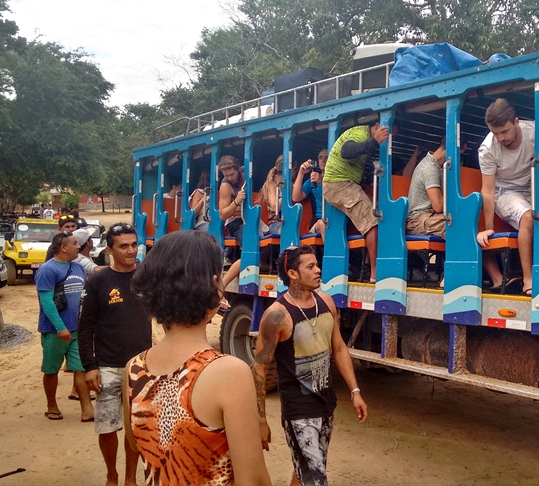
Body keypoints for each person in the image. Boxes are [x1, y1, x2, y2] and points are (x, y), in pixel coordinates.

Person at [125, 230, 271, 486]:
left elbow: (135, 443)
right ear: (215, 286)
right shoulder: (229, 372)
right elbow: (253, 480)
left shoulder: (135, 368)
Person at [253, 244, 368, 486]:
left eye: (317, 265)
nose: (318, 270)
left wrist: (355, 391)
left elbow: (338, 348)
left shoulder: (326, 302)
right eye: (311, 266)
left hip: (326, 406)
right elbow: (259, 368)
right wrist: (260, 419)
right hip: (298, 412)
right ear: (293, 274)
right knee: (316, 480)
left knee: (303, 472)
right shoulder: (276, 316)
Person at [477, 98, 539, 296]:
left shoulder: (536, 131)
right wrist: (489, 228)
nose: (500, 138)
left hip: (535, 188)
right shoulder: (487, 149)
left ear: (516, 122)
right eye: (495, 133)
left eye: (504, 131)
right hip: (505, 192)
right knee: (528, 217)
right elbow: (487, 190)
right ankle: (529, 279)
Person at [79, 223, 151, 486]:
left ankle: (130, 479)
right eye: (123, 246)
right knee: (108, 427)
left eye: (134, 244)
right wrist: (90, 366)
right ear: (109, 249)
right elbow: (85, 327)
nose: (131, 250)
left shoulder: (146, 276)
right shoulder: (98, 281)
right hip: (108, 367)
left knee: (135, 428)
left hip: (142, 367)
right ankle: (112, 475)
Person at [35, 232, 93, 422]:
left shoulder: (77, 267)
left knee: (81, 368)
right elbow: (47, 302)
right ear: (63, 247)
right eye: (75, 244)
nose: (79, 247)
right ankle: (52, 405)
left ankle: (87, 408)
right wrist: (60, 327)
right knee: (51, 370)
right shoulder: (48, 270)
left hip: (77, 329)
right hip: (55, 332)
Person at [323, 122, 391, 283]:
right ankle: (375, 273)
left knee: (376, 213)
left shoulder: (363, 135)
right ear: (376, 126)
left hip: (344, 182)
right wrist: (375, 141)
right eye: (387, 133)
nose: (387, 138)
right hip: (339, 183)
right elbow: (346, 151)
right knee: (372, 220)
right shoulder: (361, 134)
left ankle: (367, 264)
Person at [292, 148, 328, 242]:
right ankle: (330, 256)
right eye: (320, 158)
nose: (323, 160)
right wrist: (301, 173)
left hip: (336, 218)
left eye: (326, 157)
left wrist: (321, 182)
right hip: (318, 220)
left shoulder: (337, 179)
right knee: (322, 224)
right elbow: (296, 197)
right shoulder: (312, 181)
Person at [218, 155, 246, 261]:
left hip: (251, 217)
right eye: (226, 175)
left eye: (232, 174)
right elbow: (223, 214)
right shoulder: (225, 185)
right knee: (248, 238)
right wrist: (236, 201)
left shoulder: (247, 173)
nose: (230, 178)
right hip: (235, 221)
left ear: (238, 169)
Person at [259, 155, 285, 237]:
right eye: (295, 169)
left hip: (288, 221)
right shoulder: (272, 184)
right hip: (275, 223)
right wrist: (287, 193)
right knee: (285, 230)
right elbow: (274, 206)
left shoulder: (291, 183)